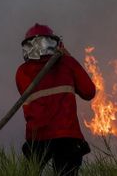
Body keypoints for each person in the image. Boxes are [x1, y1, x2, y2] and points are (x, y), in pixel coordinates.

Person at [16, 23, 96, 175]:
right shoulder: (67, 63)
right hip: (67, 136)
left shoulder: (21, 72)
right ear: (54, 43)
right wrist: (67, 56)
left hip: (37, 137)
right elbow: (89, 92)